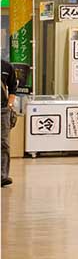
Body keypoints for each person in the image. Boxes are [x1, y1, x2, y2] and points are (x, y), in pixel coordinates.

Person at [2, 59, 17, 187]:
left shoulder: (7, 66)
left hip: (2, 110)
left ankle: (3, 176)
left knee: (3, 143)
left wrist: (9, 105)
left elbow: (13, 88)